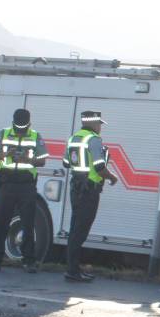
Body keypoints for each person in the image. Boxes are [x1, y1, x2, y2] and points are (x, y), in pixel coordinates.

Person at [0, 108, 49, 273]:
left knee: (28, 223)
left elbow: (42, 161)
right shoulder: (4, 133)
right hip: (6, 183)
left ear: (29, 123)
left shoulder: (35, 136)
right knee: (1, 222)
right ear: (13, 122)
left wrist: (28, 159)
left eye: (23, 127)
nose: (21, 130)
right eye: (18, 126)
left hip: (26, 185)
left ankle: (29, 261)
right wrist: (6, 154)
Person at [62, 110, 118, 282]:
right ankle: (73, 271)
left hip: (76, 187)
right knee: (80, 231)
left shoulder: (73, 138)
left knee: (75, 229)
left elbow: (66, 163)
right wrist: (112, 177)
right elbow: (100, 167)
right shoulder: (93, 140)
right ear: (92, 123)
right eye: (99, 124)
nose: (100, 127)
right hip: (89, 190)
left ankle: (73, 268)